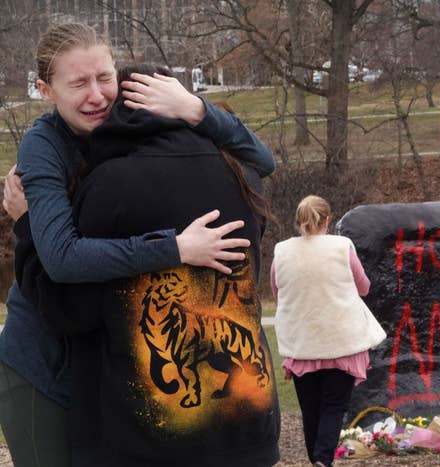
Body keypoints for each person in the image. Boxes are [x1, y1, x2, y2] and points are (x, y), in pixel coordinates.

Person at [0, 22, 274, 467]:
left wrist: (195, 108)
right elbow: (63, 258)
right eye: (78, 83)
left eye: (105, 77)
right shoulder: (44, 146)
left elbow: (263, 160)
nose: (97, 96)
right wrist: (176, 248)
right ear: (45, 91)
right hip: (42, 355)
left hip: (95, 349)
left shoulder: (122, 140)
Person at [271, 195, 386, 467]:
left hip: (302, 343)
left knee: (310, 409)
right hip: (340, 341)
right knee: (333, 406)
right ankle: (322, 461)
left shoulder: (281, 252)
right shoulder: (342, 247)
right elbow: (364, 287)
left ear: (298, 221)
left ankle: (317, 459)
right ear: (327, 220)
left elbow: (278, 294)